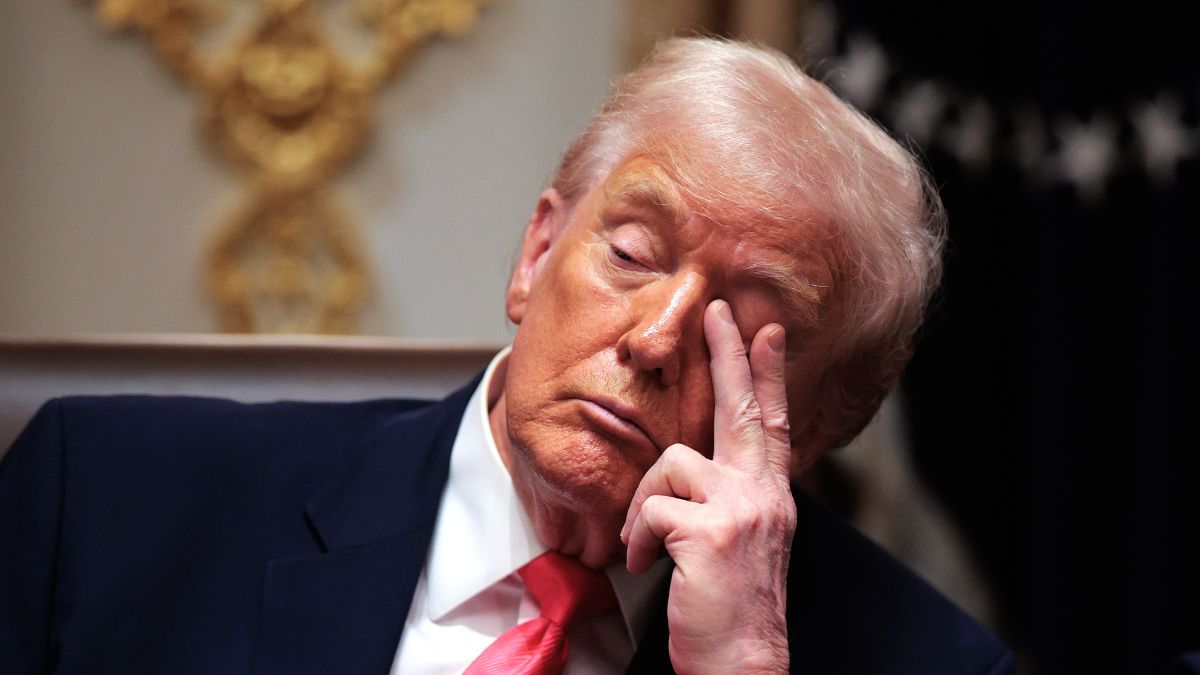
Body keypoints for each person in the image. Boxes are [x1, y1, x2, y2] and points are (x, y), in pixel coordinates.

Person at [0, 38, 1013, 674]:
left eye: (740, 334)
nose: (656, 341)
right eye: (630, 255)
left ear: (822, 426)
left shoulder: (926, 659)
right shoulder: (100, 503)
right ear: (537, 252)